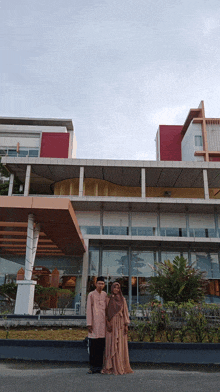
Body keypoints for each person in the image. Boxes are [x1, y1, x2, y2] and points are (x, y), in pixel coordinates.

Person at [102, 282, 133, 375]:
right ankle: (110, 366)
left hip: (120, 324)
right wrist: (107, 323)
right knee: (110, 344)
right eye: (114, 288)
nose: (116, 289)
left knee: (120, 344)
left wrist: (126, 325)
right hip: (111, 324)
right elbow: (105, 312)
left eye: (118, 288)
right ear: (111, 288)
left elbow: (125, 313)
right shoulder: (108, 299)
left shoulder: (122, 299)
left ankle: (120, 366)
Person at [86, 276, 107, 374]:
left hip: (103, 325)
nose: (100, 285)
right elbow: (88, 310)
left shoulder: (105, 295)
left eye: (102, 284)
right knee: (93, 346)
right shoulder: (91, 294)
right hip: (94, 324)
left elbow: (107, 310)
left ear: (104, 285)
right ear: (96, 284)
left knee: (101, 346)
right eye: (99, 283)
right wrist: (89, 323)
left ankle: (99, 367)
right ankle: (92, 367)